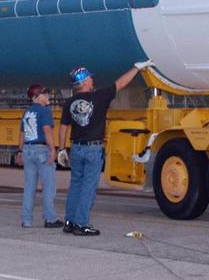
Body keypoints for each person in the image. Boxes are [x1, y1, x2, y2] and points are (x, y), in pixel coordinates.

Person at [58, 61, 151, 236]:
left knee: (76, 185)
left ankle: (69, 221)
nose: (92, 80)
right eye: (90, 78)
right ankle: (81, 224)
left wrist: (61, 149)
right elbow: (121, 83)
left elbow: (63, 127)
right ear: (84, 82)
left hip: (76, 148)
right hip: (92, 149)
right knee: (88, 187)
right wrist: (137, 68)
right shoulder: (98, 97)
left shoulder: (69, 103)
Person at [20, 84, 62, 228]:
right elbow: (47, 130)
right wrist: (53, 149)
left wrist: (20, 151)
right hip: (41, 151)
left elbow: (22, 133)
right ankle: (50, 218)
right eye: (45, 94)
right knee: (49, 187)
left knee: (29, 187)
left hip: (27, 149)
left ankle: (27, 220)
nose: (48, 96)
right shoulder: (45, 111)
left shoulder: (27, 112)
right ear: (38, 97)